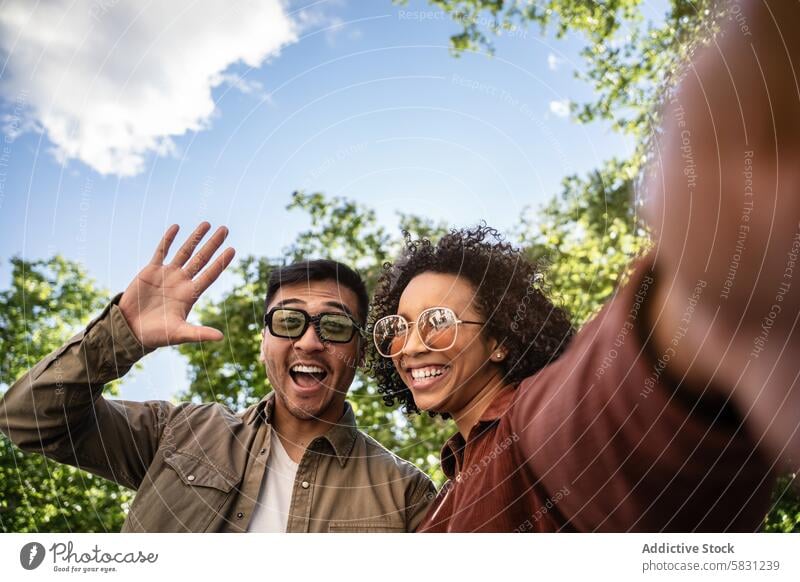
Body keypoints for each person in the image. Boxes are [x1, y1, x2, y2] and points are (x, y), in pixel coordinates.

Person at [368, 0, 799, 532]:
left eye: (436, 322)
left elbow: (604, 416)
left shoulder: (527, 435)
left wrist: (705, 316)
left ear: (501, 339)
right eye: (399, 328)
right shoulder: (437, 500)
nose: (410, 347)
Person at [0, 223, 434, 532]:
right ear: (264, 343)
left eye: (335, 326)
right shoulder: (179, 433)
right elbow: (28, 420)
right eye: (287, 321)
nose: (309, 341)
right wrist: (122, 334)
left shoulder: (406, 496)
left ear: (358, 352)